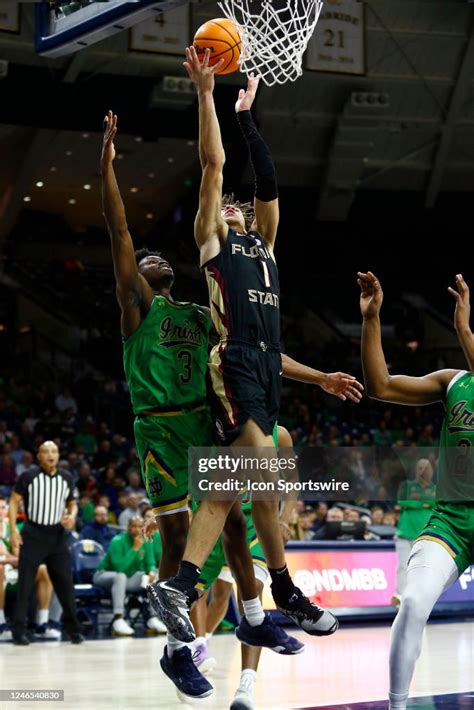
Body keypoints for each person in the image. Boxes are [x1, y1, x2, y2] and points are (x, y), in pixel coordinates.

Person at [101, 108, 361, 698]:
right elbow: (121, 233)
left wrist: (318, 376)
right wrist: (108, 168)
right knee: (188, 530)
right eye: (147, 263)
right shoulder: (141, 309)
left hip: (211, 407)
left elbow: (263, 348)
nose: (154, 261)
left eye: (157, 260)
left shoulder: (204, 309)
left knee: (239, 510)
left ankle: (253, 609)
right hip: (163, 428)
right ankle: (201, 632)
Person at [150, 48, 362, 649]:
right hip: (234, 364)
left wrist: (249, 118)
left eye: (244, 206)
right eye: (230, 203)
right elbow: (213, 162)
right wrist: (206, 96)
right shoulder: (212, 240)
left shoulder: (265, 246)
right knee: (264, 463)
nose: (239, 205)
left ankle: (182, 583)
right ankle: (283, 589)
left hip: (265, 367)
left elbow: (266, 180)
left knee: (247, 473)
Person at [358, 271, 474, 710]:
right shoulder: (455, 381)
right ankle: (397, 705)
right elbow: (381, 386)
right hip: (451, 520)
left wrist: (463, 329)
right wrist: (371, 319)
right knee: (412, 604)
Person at [8, 441, 83, 645]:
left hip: (57, 536)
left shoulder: (67, 478)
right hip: (33, 534)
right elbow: (14, 501)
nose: (50, 454)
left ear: (58, 455)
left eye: (54, 451)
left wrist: (72, 515)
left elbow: (72, 503)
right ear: (39, 456)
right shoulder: (29, 476)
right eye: (46, 451)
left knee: (66, 585)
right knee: (25, 584)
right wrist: (14, 529)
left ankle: (74, 630)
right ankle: (19, 631)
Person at [92, 516, 162, 636]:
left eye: (139, 526)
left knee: (154, 576)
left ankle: (152, 617)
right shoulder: (117, 541)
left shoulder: (146, 541)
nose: (136, 529)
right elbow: (120, 568)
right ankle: (118, 618)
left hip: (128, 578)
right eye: (133, 526)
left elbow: (150, 563)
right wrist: (134, 549)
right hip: (104, 575)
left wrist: (151, 572)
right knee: (121, 576)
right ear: (128, 527)